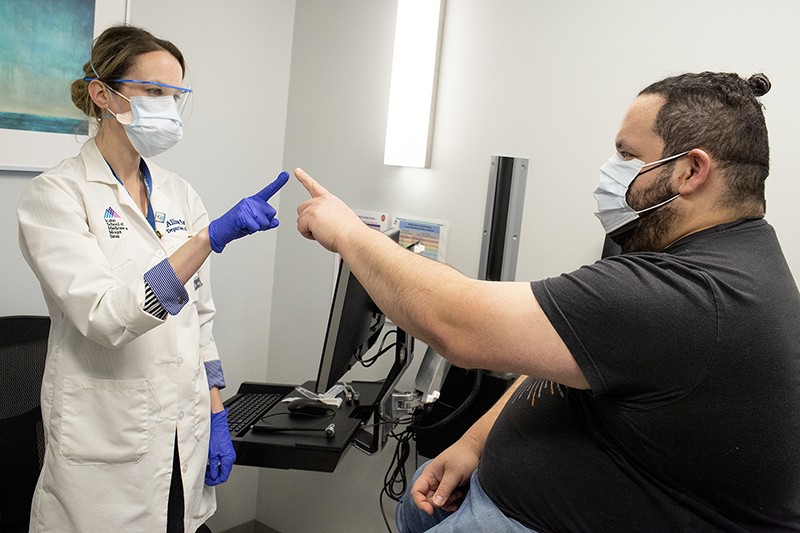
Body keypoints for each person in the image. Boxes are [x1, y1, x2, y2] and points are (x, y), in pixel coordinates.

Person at [295, 71, 800, 531]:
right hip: (488, 487)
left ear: (691, 171)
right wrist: (475, 443)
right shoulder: (708, 256)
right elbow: (561, 359)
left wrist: (348, 233)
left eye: (627, 156)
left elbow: (454, 322)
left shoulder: (693, 297)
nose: (611, 172)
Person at [16, 25, 288, 533]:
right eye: (153, 92)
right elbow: (104, 317)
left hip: (181, 433)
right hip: (106, 452)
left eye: (176, 95)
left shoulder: (179, 194)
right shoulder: (55, 196)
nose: (167, 107)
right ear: (103, 94)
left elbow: (200, 318)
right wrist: (205, 241)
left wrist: (216, 414)